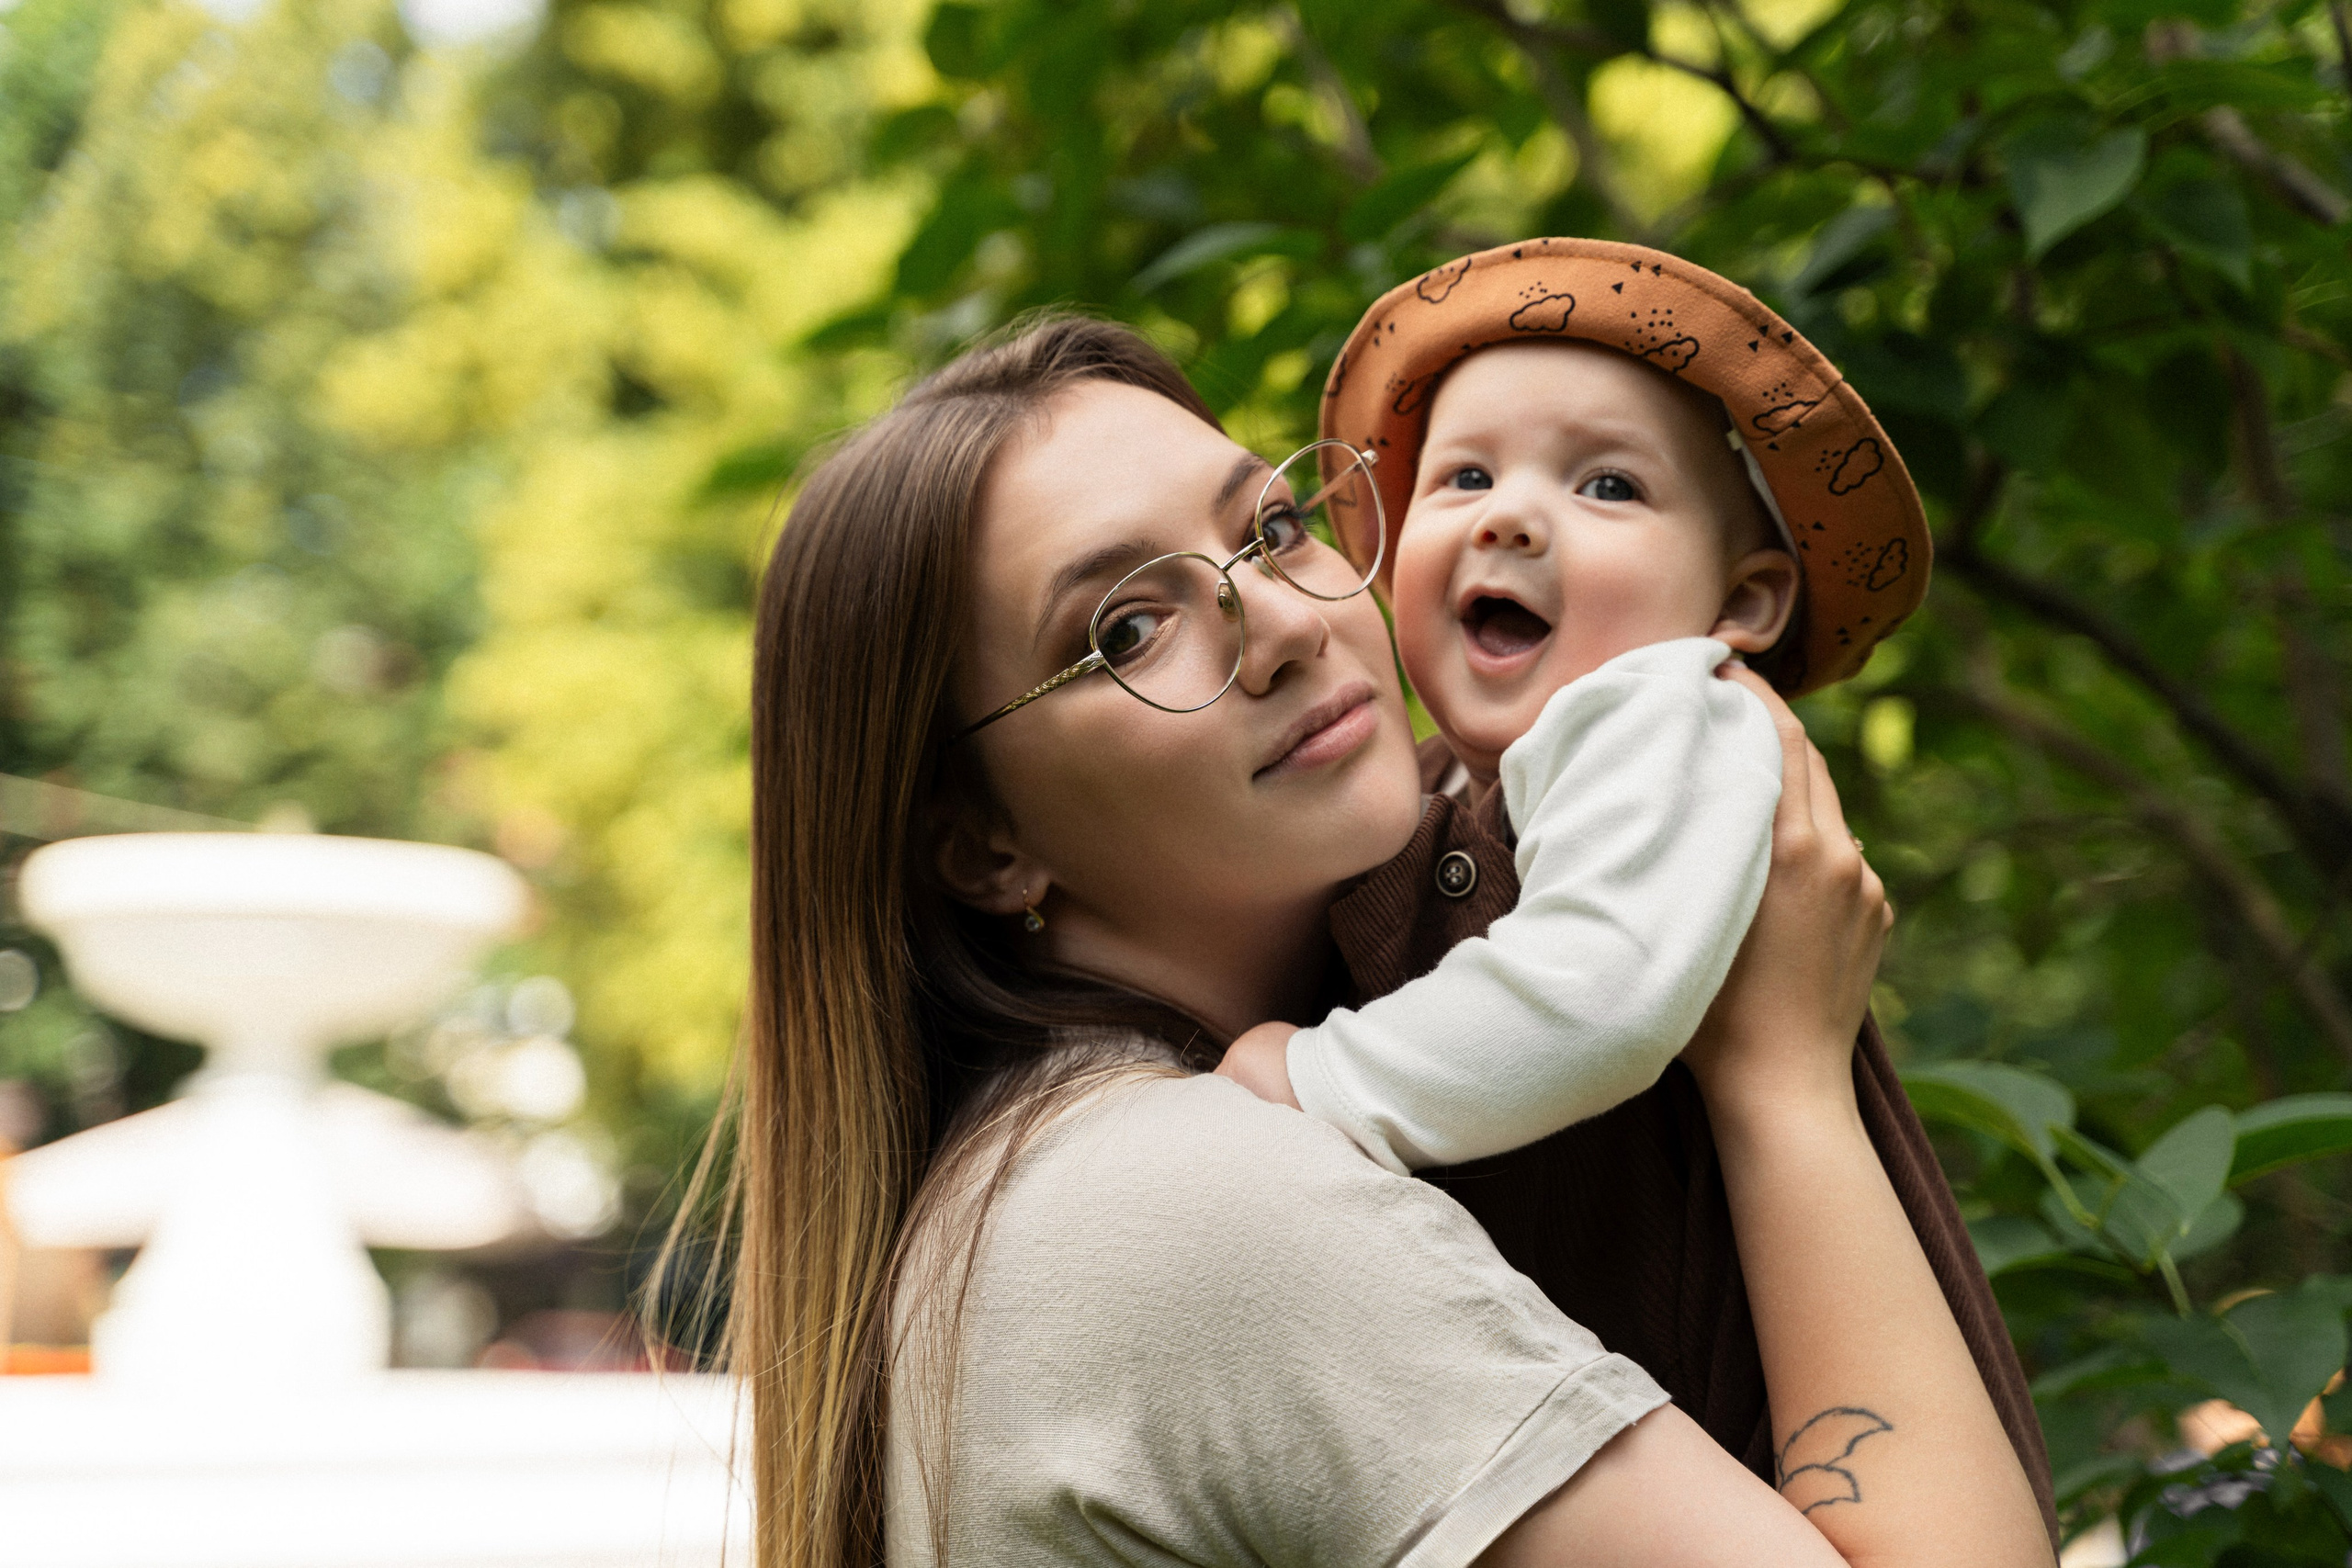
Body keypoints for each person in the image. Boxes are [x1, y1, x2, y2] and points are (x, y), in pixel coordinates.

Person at [707, 310, 2052, 1566]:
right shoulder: (1188, 1203)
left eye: (1277, 526)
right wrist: (1784, 1078)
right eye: (1127, 629)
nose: (1286, 624)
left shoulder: (1048, 1178)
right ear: (984, 846)